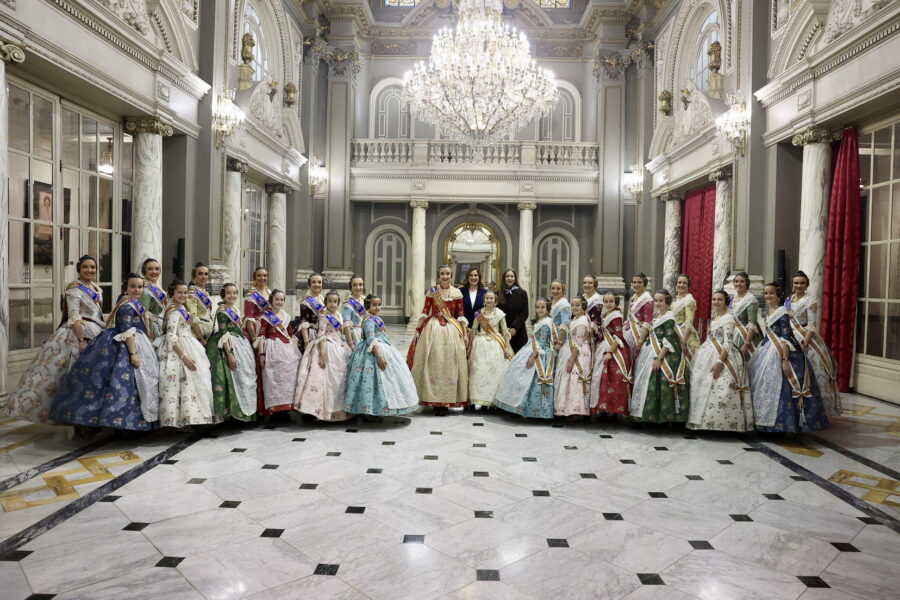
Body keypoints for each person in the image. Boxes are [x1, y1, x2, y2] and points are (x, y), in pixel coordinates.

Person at [51, 273, 158, 431]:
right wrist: (133, 353)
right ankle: (122, 424)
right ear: (126, 288)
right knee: (123, 384)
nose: (136, 290)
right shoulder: (127, 306)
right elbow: (127, 331)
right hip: (128, 346)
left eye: (140, 287)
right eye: (132, 286)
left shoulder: (134, 304)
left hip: (138, 342)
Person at [4, 255, 105, 423]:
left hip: (96, 330)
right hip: (78, 333)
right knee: (63, 375)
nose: (89, 270)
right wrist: (82, 340)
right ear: (79, 269)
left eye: (92, 267)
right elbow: (74, 316)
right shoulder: (74, 290)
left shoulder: (96, 288)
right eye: (85, 267)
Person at [749, 282, 829, 432]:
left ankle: (783, 425)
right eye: (765, 293)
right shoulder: (770, 311)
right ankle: (762, 421)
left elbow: (786, 337)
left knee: (784, 387)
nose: (768, 296)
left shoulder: (782, 312)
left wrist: (785, 360)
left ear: (778, 295)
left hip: (782, 353)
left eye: (771, 293)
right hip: (766, 350)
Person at [687, 290, 753, 431]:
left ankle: (721, 425)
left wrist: (719, 362)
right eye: (714, 299)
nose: (716, 302)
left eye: (720, 299)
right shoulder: (716, 316)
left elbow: (728, 343)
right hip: (708, 353)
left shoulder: (728, 318)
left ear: (726, 302)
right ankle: (698, 421)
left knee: (720, 386)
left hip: (723, 356)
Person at [344, 294, 419, 418]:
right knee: (371, 382)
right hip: (372, 352)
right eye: (374, 305)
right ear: (368, 305)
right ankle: (370, 412)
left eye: (379, 305)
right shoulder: (369, 320)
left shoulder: (375, 318)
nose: (377, 307)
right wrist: (379, 356)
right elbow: (370, 339)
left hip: (382, 347)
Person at [407, 265, 469, 413]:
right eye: (442, 274)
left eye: (447, 274)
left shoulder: (457, 293)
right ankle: (433, 400)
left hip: (451, 329)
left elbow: (461, 314)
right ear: (439, 276)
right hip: (433, 328)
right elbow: (424, 311)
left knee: (450, 363)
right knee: (433, 362)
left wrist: (465, 334)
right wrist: (417, 330)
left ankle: (447, 399)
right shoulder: (432, 291)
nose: (445, 276)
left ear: (451, 276)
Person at [157, 280, 215, 428]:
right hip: (178, 349)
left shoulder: (181, 308)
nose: (183, 295)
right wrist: (184, 357)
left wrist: (200, 340)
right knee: (184, 384)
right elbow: (171, 337)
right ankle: (185, 421)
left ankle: (195, 418)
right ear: (172, 293)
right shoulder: (173, 311)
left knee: (197, 382)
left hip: (189, 344)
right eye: (179, 292)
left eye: (185, 293)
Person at [629, 289, 691, 423]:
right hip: (651, 349)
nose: (657, 303)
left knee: (660, 379)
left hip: (665, 353)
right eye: (656, 301)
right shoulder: (657, 315)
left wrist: (659, 358)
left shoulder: (669, 317)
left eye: (661, 301)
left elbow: (668, 340)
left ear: (667, 302)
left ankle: (664, 418)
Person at [786, 271, 841, 417]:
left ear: (807, 285)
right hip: (788, 338)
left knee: (811, 373)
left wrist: (805, 342)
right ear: (792, 285)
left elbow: (811, 324)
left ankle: (812, 410)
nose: (799, 286)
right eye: (796, 283)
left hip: (805, 338)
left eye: (802, 283)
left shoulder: (810, 301)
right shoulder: (788, 300)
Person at [494, 297, 558, 419]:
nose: (540, 310)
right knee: (518, 374)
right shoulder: (541, 321)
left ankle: (535, 411)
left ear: (548, 308)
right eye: (537, 307)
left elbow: (542, 343)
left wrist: (532, 357)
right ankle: (520, 408)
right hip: (532, 348)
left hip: (539, 354)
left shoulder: (546, 322)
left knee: (532, 380)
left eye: (543, 307)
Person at [294, 290, 352, 421]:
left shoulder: (339, 315)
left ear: (338, 303)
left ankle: (340, 410)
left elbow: (341, 333)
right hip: (326, 345)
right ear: (325, 303)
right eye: (330, 301)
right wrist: (322, 353)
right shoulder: (324, 317)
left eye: (335, 301)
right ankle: (319, 411)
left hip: (340, 345)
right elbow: (320, 336)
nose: (332, 304)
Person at [207, 283, 257, 422]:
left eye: (234, 293)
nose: (232, 295)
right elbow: (223, 333)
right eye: (228, 293)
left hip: (240, 343)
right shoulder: (222, 311)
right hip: (227, 345)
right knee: (231, 376)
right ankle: (232, 413)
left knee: (245, 375)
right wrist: (229, 354)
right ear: (223, 295)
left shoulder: (234, 309)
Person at [467, 290, 512, 408]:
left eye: (491, 298)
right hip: (480, 344)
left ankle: (491, 402)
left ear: (495, 301)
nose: (489, 300)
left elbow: (505, 332)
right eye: (487, 298)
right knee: (478, 371)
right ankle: (479, 400)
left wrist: (507, 347)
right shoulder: (479, 313)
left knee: (494, 373)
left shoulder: (500, 314)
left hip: (496, 344)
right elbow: (474, 330)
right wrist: (469, 346)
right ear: (484, 300)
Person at [257, 290, 299, 414]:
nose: (279, 302)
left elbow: (290, 334)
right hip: (272, 348)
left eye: (282, 300)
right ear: (271, 300)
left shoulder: (286, 316)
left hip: (287, 348)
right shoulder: (266, 317)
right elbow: (261, 336)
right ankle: (275, 407)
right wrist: (261, 354)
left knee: (291, 374)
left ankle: (288, 405)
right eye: (277, 299)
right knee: (274, 377)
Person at [590, 292, 631, 417]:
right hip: (603, 346)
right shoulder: (606, 315)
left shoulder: (616, 316)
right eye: (606, 301)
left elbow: (618, 336)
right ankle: (603, 409)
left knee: (612, 379)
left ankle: (613, 411)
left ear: (616, 302)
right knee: (601, 379)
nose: (608, 304)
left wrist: (609, 352)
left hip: (613, 350)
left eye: (611, 301)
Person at [554, 295, 594, 418]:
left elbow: (579, 342)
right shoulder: (575, 319)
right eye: (573, 305)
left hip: (579, 354)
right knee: (568, 379)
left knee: (575, 379)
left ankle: (576, 411)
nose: (574, 307)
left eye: (578, 305)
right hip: (571, 350)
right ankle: (567, 409)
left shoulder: (582, 321)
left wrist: (572, 360)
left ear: (583, 306)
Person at [243, 267, 272, 413]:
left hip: (268, 329)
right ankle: (257, 406)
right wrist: (254, 338)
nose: (262, 278)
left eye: (265, 275)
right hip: (255, 331)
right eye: (259, 275)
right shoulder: (251, 295)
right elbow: (248, 319)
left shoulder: (270, 292)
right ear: (255, 277)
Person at [294, 272, 326, 355]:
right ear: (309, 284)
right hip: (309, 333)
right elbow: (303, 322)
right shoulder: (305, 300)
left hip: (322, 332)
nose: (316, 284)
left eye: (319, 282)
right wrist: (306, 341)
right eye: (313, 282)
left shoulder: (322, 299)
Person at [498, 268, 529, 353]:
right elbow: (496, 313)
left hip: (519, 332)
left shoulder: (522, 293)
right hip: (503, 332)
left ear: (515, 278)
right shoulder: (498, 293)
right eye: (507, 276)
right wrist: (504, 329)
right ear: (504, 278)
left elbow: (525, 313)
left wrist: (514, 328)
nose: (509, 278)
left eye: (512, 276)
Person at [730, 271, 761, 356]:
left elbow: (752, 323)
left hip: (744, 337)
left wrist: (746, 343)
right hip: (731, 334)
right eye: (736, 281)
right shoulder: (732, 298)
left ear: (747, 283)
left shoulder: (751, 300)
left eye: (742, 281)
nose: (738, 284)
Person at [623, 273, 654, 355]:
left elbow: (648, 322)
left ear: (645, 284)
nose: (636, 285)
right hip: (628, 329)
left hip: (639, 332)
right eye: (634, 282)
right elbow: (629, 316)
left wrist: (640, 341)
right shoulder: (632, 298)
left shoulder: (648, 300)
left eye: (639, 282)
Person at [672, 274, 701, 359]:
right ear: (676, 285)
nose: (681, 285)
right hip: (673, 334)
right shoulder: (674, 300)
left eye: (684, 283)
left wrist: (683, 342)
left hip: (684, 335)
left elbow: (689, 322)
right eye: (679, 282)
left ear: (688, 286)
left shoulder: (689, 300)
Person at [185, 262, 214, 345]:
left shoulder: (205, 293)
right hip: (197, 333)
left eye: (206, 274)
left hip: (207, 330)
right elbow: (193, 318)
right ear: (194, 275)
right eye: (200, 274)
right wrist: (201, 339)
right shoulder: (192, 293)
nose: (203, 277)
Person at [139, 258, 167, 341]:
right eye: (150, 269)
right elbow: (143, 311)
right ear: (144, 271)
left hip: (162, 323)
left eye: (157, 269)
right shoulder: (145, 289)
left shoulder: (156, 286)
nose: (154, 272)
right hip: (152, 327)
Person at [343, 274, 367, 348]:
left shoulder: (365, 300)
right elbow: (346, 324)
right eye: (355, 285)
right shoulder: (348, 302)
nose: (358, 287)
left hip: (366, 333)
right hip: (355, 335)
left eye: (360, 285)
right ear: (351, 287)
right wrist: (350, 343)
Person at [549, 280, 571, 352]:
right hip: (549, 335)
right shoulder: (551, 302)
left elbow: (565, 324)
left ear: (563, 290)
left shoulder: (564, 304)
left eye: (558, 289)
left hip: (558, 337)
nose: (555, 291)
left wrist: (559, 342)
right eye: (553, 288)